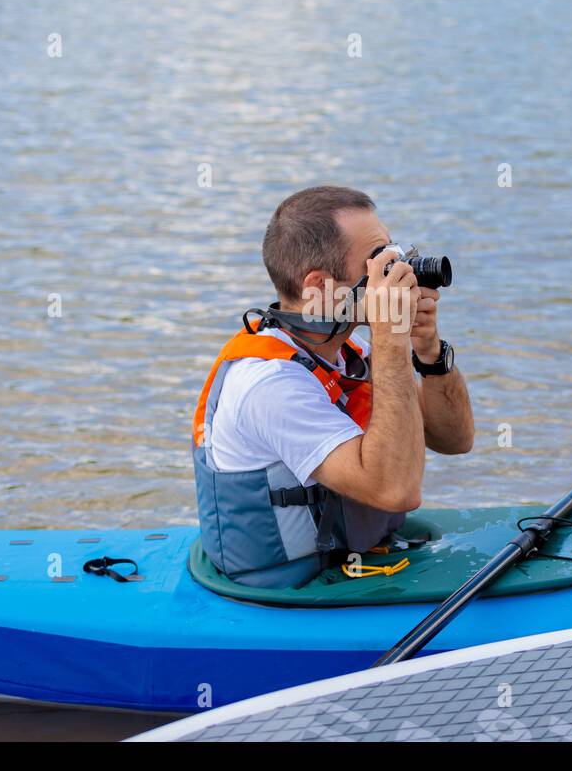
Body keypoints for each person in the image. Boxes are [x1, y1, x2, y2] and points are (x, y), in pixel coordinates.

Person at [192, 185, 474, 588]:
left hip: (356, 560)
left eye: (393, 254)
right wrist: (391, 339)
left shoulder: (348, 348)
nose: (396, 274)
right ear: (321, 287)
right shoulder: (271, 384)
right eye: (378, 263)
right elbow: (398, 492)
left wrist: (428, 352)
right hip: (291, 591)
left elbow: (455, 440)